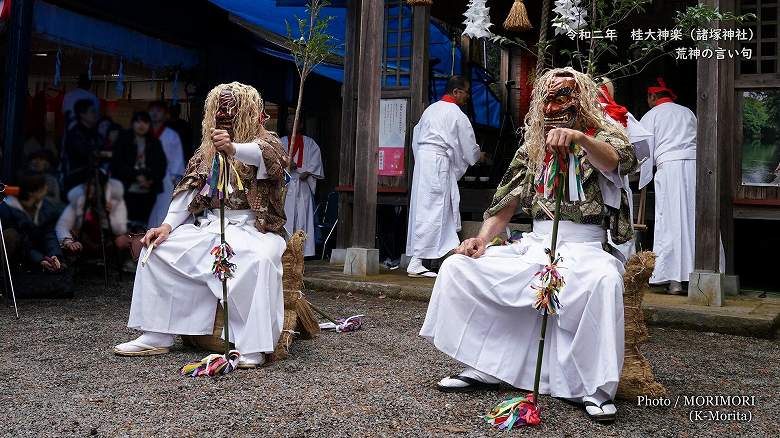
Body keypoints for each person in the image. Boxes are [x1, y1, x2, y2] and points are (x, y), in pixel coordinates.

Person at [420, 68, 637, 422]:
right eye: (547, 98)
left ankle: (593, 388)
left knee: (604, 281)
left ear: (580, 99)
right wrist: (481, 239)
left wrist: (580, 139)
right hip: (536, 244)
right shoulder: (533, 144)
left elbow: (617, 161)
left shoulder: (606, 133)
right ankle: (486, 364)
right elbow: (505, 202)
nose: (553, 105)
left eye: (562, 97)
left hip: (585, 247)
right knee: (459, 267)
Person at [113, 82, 289, 369]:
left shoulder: (267, 143)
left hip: (255, 229)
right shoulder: (206, 152)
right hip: (209, 227)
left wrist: (233, 148)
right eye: (220, 112)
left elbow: (263, 157)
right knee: (157, 249)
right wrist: (167, 226)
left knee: (259, 260)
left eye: (232, 112)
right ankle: (159, 332)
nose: (225, 118)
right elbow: (190, 190)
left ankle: (253, 345)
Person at [639, 77, 723, 294]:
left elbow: (643, 150)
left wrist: (637, 173)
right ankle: (707, 272)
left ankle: (675, 280)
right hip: (696, 167)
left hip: (671, 169)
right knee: (698, 218)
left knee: (672, 220)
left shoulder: (651, 115)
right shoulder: (687, 112)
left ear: (652, 96)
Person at [405, 75, 481, 278]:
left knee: (431, 207)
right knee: (434, 209)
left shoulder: (430, 110)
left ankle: (443, 254)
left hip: (424, 161)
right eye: (466, 93)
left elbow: (416, 136)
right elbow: (468, 145)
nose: (467, 97)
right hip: (438, 162)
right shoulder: (456, 113)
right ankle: (417, 261)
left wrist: (423, 159)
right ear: (456, 92)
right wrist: (476, 155)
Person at [597, 78, 654, 261]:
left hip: (582, 185)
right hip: (616, 180)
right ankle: (620, 277)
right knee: (618, 229)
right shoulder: (622, 115)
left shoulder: (578, 115)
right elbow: (643, 149)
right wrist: (629, 168)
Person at [0, 174, 73, 298]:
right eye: (43, 188)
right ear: (32, 193)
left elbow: (49, 233)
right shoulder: (8, 208)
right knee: (11, 236)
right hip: (16, 254)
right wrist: (40, 258)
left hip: (36, 252)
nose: (46, 190)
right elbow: (23, 241)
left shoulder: (45, 207)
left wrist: (54, 255)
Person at [55, 172, 130, 263]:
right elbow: (63, 225)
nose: (89, 188)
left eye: (94, 185)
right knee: (71, 232)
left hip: (108, 240)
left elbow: (119, 230)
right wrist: (68, 242)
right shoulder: (78, 200)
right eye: (87, 184)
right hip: (86, 240)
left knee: (122, 239)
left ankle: (111, 261)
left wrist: (106, 215)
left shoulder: (115, 201)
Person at [110, 112, 167, 225]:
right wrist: (136, 176)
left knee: (144, 222)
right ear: (132, 123)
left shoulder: (155, 142)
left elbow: (161, 165)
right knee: (126, 222)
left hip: (149, 189)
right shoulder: (123, 140)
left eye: (145, 122)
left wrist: (150, 180)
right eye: (138, 121)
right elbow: (118, 164)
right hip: (127, 187)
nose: (141, 125)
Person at [280, 116, 323, 257]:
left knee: (302, 217)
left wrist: (308, 171)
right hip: (286, 186)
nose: (291, 124)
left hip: (302, 186)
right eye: (289, 121)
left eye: (295, 121)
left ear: (301, 124)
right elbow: (273, 164)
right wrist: (285, 166)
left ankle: (302, 252)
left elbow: (315, 165)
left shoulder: (310, 143)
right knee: (286, 217)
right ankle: (284, 249)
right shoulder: (280, 142)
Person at [147, 101, 185, 228]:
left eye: (159, 111)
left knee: (161, 208)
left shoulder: (171, 135)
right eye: (152, 110)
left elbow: (176, 158)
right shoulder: (143, 131)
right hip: (142, 175)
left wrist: (175, 177)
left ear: (165, 114)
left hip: (165, 177)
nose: (155, 114)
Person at [62, 98, 101, 191]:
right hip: (78, 178)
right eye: (92, 112)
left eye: (96, 111)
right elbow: (84, 153)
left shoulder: (94, 133)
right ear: (82, 114)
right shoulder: (75, 133)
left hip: (91, 176)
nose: (96, 114)